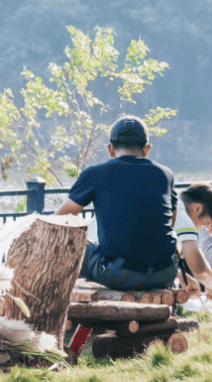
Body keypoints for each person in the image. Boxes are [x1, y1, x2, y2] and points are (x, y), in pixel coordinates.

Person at [55, 116, 179, 291]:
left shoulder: (95, 174)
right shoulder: (165, 175)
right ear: (147, 149)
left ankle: (73, 305)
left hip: (120, 275)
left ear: (110, 150)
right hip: (165, 272)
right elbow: (171, 222)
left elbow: (59, 220)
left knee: (74, 243)